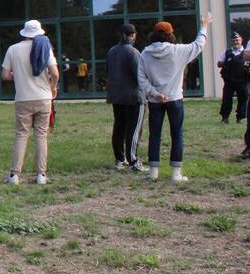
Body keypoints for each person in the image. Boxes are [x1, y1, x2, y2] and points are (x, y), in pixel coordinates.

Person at [138, 14, 211, 182]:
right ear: (171, 34)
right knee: (177, 134)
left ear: (153, 34)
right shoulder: (178, 51)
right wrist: (204, 25)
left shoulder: (145, 54)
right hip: (175, 99)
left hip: (155, 101)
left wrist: (155, 93)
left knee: (154, 135)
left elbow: (141, 79)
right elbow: (199, 44)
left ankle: (153, 172)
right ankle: (176, 173)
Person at [1, 20, 59, 185]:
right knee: (41, 135)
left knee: (21, 135)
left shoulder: (13, 49)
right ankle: (41, 175)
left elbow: (5, 75)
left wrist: (18, 75)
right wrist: (53, 88)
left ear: (24, 33)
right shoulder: (44, 48)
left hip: (23, 98)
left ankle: (14, 175)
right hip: (43, 97)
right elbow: (55, 73)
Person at [105, 24, 148, 172]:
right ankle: (133, 161)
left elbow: (107, 71)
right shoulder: (134, 52)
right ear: (132, 35)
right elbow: (139, 75)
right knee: (134, 129)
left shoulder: (111, 51)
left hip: (116, 96)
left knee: (119, 127)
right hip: (134, 97)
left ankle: (119, 159)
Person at [218, 32, 247, 124]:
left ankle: (240, 118)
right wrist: (228, 62)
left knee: (243, 99)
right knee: (226, 99)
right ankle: (225, 118)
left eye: (237, 40)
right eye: (234, 40)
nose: (235, 42)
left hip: (242, 80)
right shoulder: (226, 52)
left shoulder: (246, 53)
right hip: (229, 81)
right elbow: (219, 64)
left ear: (241, 41)